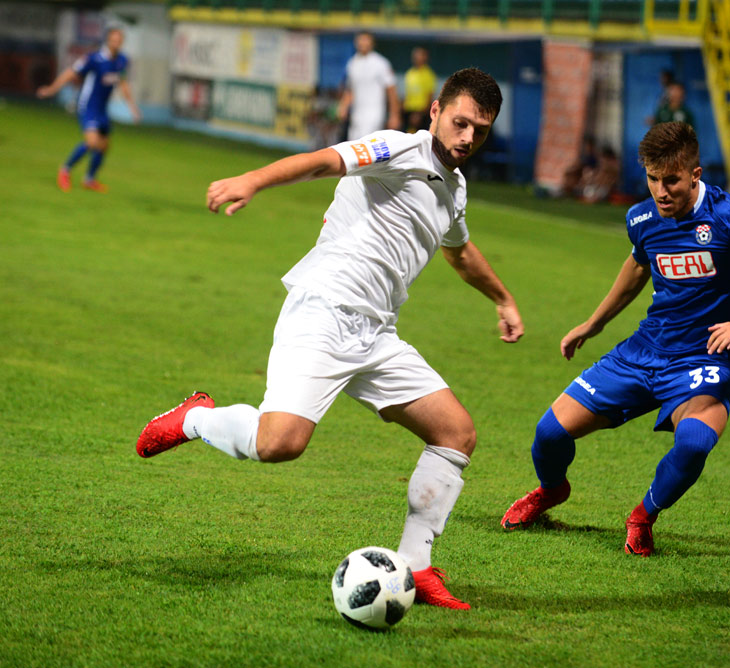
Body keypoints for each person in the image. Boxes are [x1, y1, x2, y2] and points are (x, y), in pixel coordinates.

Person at [136, 68, 522, 610]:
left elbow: (459, 252)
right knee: (279, 445)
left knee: (455, 433)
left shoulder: (454, 189)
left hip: (377, 332)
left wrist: (502, 298)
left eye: (480, 131)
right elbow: (324, 162)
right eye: (460, 123)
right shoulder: (397, 148)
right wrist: (253, 180)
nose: (467, 138)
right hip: (323, 312)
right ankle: (194, 418)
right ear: (435, 112)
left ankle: (416, 565)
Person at [501, 122, 730, 556]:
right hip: (642, 351)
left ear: (695, 174)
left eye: (671, 180)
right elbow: (636, 268)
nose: (661, 190)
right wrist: (594, 323)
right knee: (550, 433)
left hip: (704, 358)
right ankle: (551, 491)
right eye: (652, 178)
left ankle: (643, 515)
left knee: (694, 443)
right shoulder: (643, 218)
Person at [37, 26, 141, 193]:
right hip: (88, 105)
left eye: (119, 40)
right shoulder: (94, 58)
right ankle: (65, 170)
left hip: (102, 109)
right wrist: (51, 89)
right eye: (113, 39)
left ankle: (89, 180)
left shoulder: (122, 60)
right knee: (92, 142)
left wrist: (132, 107)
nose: (116, 42)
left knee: (104, 145)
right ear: (108, 40)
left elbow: (123, 83)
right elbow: (71, 73)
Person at [338, 31, 401, 140]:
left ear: (372, 43)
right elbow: (350, 89)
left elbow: (391, 90)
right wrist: (343, 106)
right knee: (353, 148)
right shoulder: (352, 63)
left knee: (368, 147)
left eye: (366, 40)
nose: (363, 43)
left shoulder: (381, 63)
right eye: (360, 40)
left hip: (374, 114)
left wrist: (394, 115)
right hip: (357, 115)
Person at [403, 46, 436, 134]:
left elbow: (429, 97)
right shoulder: (410, 73)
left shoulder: (428, 75)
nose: (416, 57)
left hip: (421, 114)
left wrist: (419, 115)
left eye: (420, 55)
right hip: (409, 112)